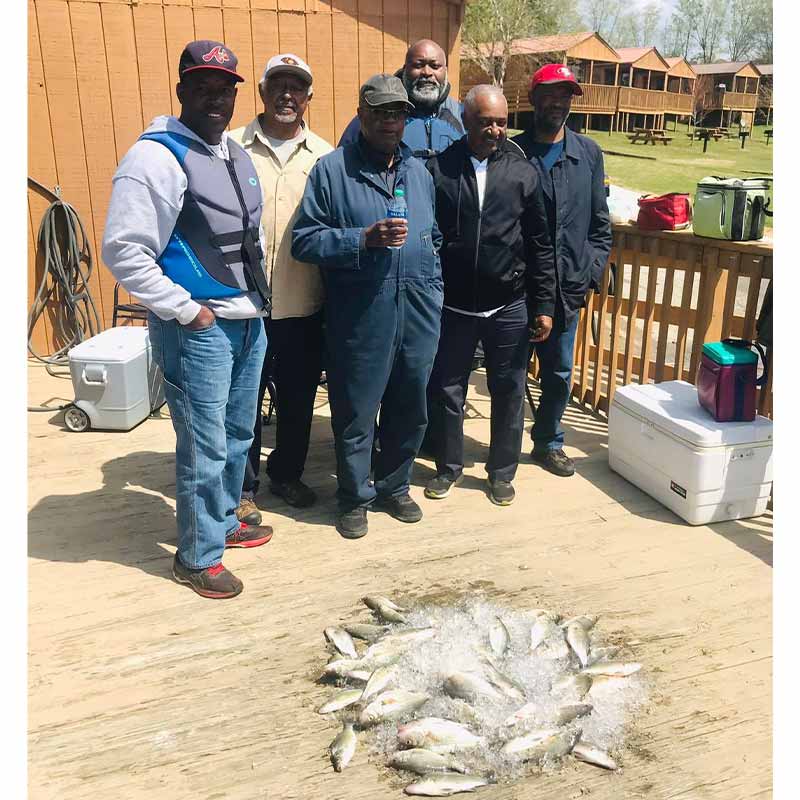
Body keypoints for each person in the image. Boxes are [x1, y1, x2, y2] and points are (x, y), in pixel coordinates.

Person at [102, 41, 275, 600]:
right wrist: (187, 310)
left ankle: (224, 520)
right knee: (204, 443)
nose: (216, 97)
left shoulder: (235, 153)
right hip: (199, 328)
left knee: (239, 434)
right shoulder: (154, 157)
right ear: (181, 89)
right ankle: (197, 556)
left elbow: (251, 236)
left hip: (248, 321)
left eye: (226, 87)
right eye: (203, 86)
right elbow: (124, 251)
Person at [292, 74, 443, 540]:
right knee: (356, 411)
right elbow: (304, 239)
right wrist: (361, 239)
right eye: (379, 113)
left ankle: (395, 487)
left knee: (410, 405)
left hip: (418, 308)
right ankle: (354, 497)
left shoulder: (418, 171)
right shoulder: (332, 170)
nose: (389, 122)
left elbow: (432, 236)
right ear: (361, 115)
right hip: (362, 313)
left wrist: (434, 288)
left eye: (397, 114)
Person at [424, 86, 555, 506]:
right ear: (466, 121)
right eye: (485, 122)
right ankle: (448, 467)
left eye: (500, 122)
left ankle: (501, 472)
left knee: (509, 388)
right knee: (447, 389)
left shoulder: (523, 173)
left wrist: (544, 305)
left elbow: (540, 243)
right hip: (453, 305)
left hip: (509, 304)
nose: (495, 130)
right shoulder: (437, 169)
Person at [229, 54, 333, 520]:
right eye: (278, 85)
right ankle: (243, 487)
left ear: (309, 97)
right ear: (262, 91)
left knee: (297, 401)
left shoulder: (327, 157)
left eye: (297, 86)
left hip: (303, 303)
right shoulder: (230, 148)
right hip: (244, 304)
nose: (287, 94)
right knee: (242, 403)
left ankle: (286, 474)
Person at [511, 65, 612, 477]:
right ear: (534, 98)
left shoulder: (588, 153)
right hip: (515, 290)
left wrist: (588, 273)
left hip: (567, 289)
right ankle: (504, 449)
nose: (558, 102)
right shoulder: (512, 153)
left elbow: (600, 226)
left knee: (557, 374)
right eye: (551, 93)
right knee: (510, 375)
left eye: (566, 95)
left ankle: (548, 442)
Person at [337, 39, 464, 157]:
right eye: (418, 65)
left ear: (446, 71)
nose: (427, 72)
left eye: (435, 66)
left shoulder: (462, 116)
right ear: (405, 70)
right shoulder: (373, 115)